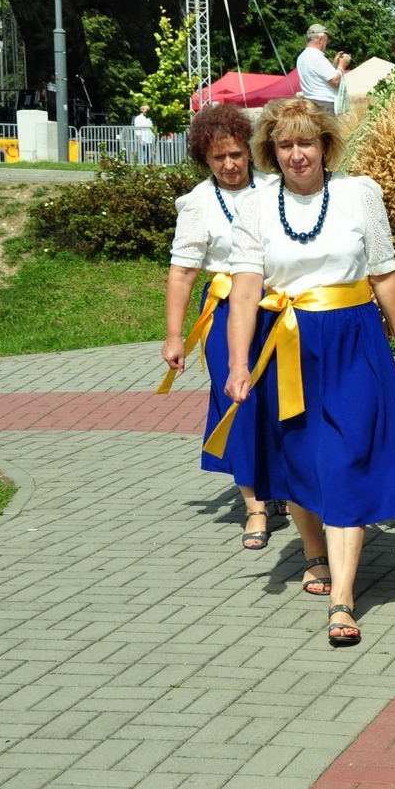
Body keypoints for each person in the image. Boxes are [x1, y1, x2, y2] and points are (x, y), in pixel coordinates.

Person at [217, 97, 395, 646]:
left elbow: (384, 271)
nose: (296, 154)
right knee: (299, 457)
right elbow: (245, 291)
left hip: (353, 340)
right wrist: (239, 363)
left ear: (325, 145)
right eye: (285, 145)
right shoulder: (257, 208)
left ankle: (343, 598)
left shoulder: (360, 194)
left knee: (343, 461)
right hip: (286, 343)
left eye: (305, 142)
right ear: (272, 151)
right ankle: (313, 551)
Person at [162, 104, 278, 550]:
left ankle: (283, 484)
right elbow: (183, 272)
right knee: (240, 403)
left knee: (282, 401)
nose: (229, 165)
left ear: (249, 150)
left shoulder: (274, 188)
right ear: (204, 160)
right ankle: (254, 505)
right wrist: (175, 336)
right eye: (218, 158)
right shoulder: (197, 203)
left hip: (279, 309)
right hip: (228, 311)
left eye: (236, 154)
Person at [296, 24, 350, 116]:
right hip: (324, 104)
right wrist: (342, 66)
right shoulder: (317, 57)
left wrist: (334, 64)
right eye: (326, 39)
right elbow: (335, 81)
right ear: (321, 39)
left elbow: (322, 77)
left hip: (309, 101)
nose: (327, 43)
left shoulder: (302, 56)